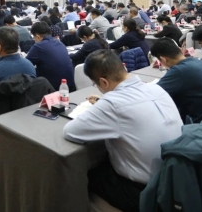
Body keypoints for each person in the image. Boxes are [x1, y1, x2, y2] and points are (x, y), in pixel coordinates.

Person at [63, 50, 182, 212]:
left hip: (144, 191)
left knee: (84, 174)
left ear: (103, 82)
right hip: (176, 178)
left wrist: (102, 106)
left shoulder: (112, 103)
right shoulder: (156, 89)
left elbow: (70, 132)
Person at [150, 39, 202, 131]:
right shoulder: (198, 61)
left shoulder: (179, 71)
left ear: (163, 59)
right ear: (180, 49)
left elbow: (154, 94)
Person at [26, 21, 75, 91]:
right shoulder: (59, 43)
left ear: (38, 36)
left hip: (52, 89)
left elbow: (26, 65)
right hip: (70, 86)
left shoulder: (38, 46)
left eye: (34, 38)